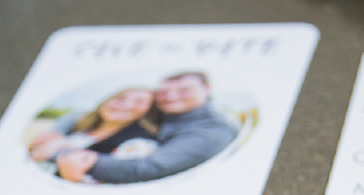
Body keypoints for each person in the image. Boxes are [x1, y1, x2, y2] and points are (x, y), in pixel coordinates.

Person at [54, 72, 237, 185]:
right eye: (163, 92)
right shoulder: (158, 119)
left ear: (207, 89)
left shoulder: (212, 130)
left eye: (184, 90)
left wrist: (79, 159)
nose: (171, 97)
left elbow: (151, 168)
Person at [27, 87, 160, 169]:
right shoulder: (76, 123)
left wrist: (60, 150)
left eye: (139, 102)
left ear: (149, 112)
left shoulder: (138, 144)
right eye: (120, 98)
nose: (126, 105)